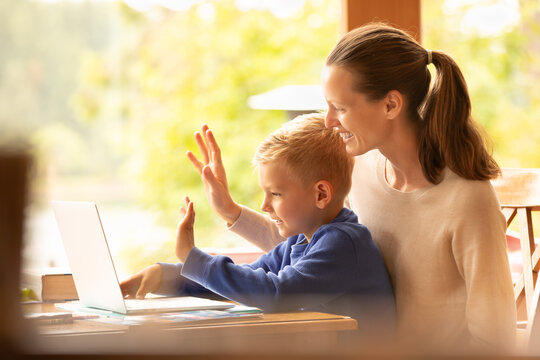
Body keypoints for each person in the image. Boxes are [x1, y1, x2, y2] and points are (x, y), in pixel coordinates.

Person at [121, 22, 516, 353]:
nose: (328, 121)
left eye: (340, 108)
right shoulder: (361, 169)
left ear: (391, 105)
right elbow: (306, 251)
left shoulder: (467, 200)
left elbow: (495, 342)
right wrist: (227, 217)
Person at [121, 113, 395, 331]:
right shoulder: (300, 242)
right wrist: (167, 276)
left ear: (320, 194)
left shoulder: (343, 244)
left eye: (275, 194)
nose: (264, 206)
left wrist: (193, 257)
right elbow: (246, 281)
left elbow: (275, 294)